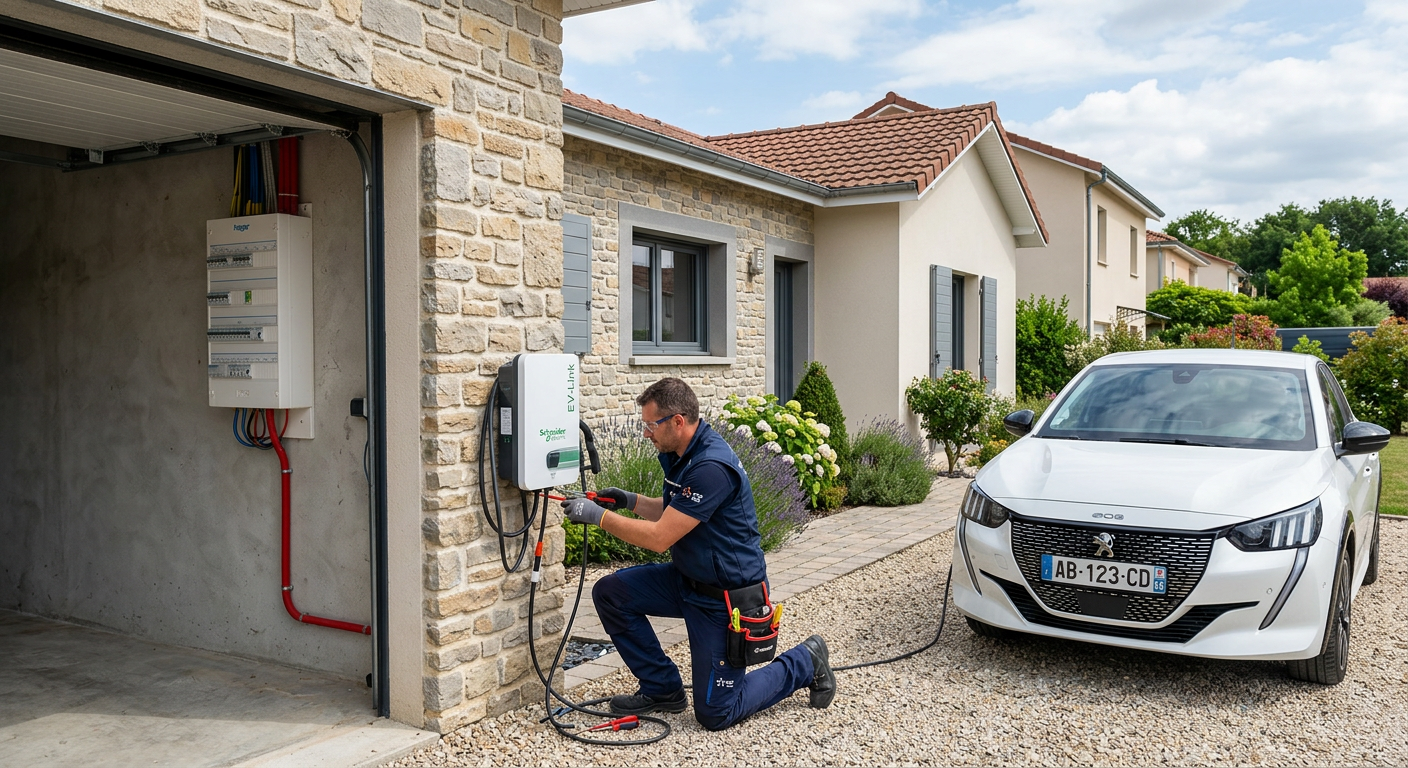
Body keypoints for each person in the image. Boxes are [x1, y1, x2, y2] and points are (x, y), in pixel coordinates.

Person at [562, 378, 835, 731]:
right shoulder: (680, 453)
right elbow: (674, 511)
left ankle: (805, 661)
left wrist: (597, 517)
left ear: (678, 421)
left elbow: (661, 537)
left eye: (651, 425)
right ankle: (662, 689)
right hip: (688, 581)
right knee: (611, 593)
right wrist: (628, 501)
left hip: (725, 600)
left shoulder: (711, 467)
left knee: (717, 712)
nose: (647, 433)